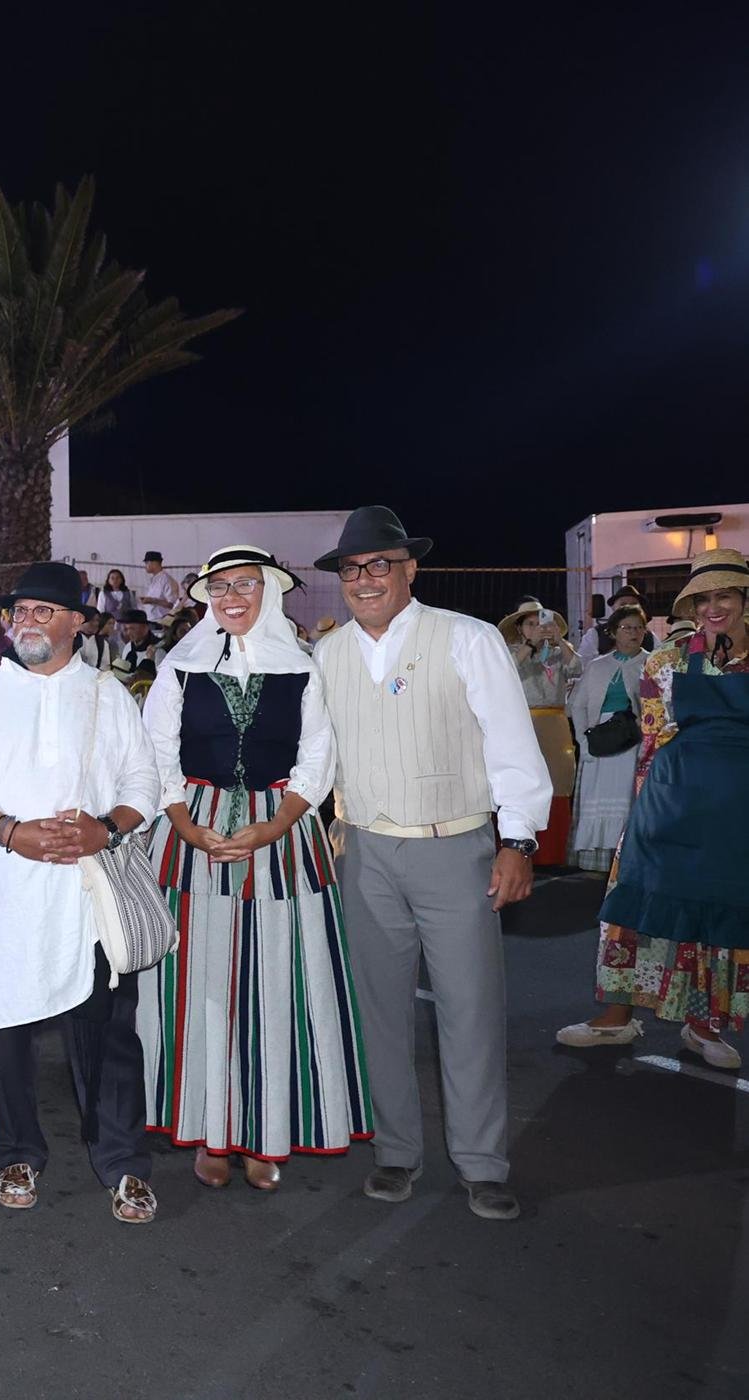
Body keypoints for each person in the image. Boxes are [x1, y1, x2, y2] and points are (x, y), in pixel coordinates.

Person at [312, 506, 550, 1221]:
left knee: (470, 1009)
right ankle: (395, 1152)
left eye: (379, 564)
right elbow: (314, 759)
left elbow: (511, 746)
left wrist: (519, 842)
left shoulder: (466, 640)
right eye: (351, 570)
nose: (364, 580)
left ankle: (480, 1163)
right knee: (380, 1011)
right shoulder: (326, 655)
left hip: (456, 847)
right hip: (366, 851)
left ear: (409, 569)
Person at [137, 547, 369, 1192]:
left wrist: (274, 824)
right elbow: (155, 750)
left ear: (269, 590)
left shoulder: (303, 669)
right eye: (219, 587)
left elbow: (318, 755)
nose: (230, 598)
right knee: (202, 986)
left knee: (273, 983)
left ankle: (264, 1131)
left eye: (244, 585)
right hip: (193, 828)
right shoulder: (179, 667)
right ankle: (210, 1131)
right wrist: (184, 825)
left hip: (282, 833)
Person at [0, 562, 161, 1220]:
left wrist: (105, 828)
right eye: (19, 611)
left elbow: (142, 781)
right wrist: (10, 832)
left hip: (88, 893)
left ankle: (122, 1163)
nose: (26, 621)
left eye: (42, 611)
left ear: (76, 623)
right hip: (8, 887)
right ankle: (16, 1152)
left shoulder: (106, 694)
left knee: (108, 1032)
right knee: (6, 1026)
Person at [558, 549, 749, 1066]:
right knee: (636, 902)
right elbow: (652, 738)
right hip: (669, 803)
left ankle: (703, 1025)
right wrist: (652, 810)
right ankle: (616, 1019)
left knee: (721, 911)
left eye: (724, 596)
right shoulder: (668, 660)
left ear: (743, 600)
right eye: (703, 598)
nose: (713, 608)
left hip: (736, 815)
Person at [564, 606, 648, 873]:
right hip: (600, 738)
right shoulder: (598, 666)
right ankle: (599, 859)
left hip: (634, 739)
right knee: (598, 793)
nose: (634, 633)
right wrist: (583, 741)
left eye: (638, 627)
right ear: (613, 632)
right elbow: (577, 705)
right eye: (627, 628)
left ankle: (628, 856)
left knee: (627, 795)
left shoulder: (652, 662)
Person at [500, 600, 578, 707]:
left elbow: (578, 668)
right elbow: (505, 670)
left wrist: (559, 640)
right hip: (525, 717)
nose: (537, 629)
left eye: (540, 624)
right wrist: (531, 643)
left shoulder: (557, 652)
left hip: (556, 717)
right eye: (530, 624)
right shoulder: (509, 652)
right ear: (519, 628)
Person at [137, 550, 185, 624]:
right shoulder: (154, 579)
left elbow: (172, 604)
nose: (145, 566)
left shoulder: (167, 580)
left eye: (147, 563)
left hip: (162, 621)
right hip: (152, 619)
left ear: (154, 563)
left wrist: (152, 600)